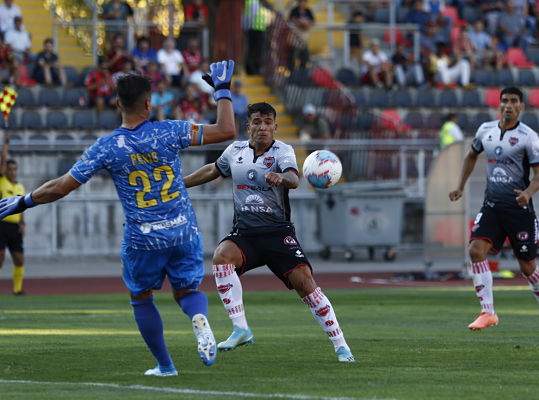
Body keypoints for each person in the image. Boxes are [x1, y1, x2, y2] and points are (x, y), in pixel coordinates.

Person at [0, 60, 238, 375]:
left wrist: (24, 201)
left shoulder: (107, 146)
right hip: (183, 230)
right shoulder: (171, 130)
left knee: (141, 298)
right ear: (148, 103)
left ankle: (165, 366)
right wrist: (222, 90)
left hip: (143, 237)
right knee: (187, 292)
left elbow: (61, 187)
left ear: (117, 104)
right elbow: (227, 130)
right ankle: (199, 319)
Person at [183, 102, 355, 363]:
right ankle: (241, 329)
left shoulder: (282, 151)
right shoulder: (235, 151)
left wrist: (281, 178)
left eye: (267, 122)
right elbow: (212, 170)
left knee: (306, 285)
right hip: (246, 234)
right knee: (221, 256)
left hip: (277, 233)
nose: (262, 127)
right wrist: (179, 184)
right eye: (257, 122)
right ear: (248, 126)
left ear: (275, 127)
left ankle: (341, 347)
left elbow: (294, 179)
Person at [449, 87, 539, 333]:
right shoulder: (485, 130)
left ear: (521, 106)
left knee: (527, 267)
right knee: (476, 250)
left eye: (514, 101)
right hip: (492, 206)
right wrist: (460, 186)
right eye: (505, 100)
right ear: (499, 104)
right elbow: (470, 156)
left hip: (519, 211)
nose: (509, 105)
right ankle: (488, 312)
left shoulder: (529, 137)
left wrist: (527, 193)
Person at [0, 132, 26, 295]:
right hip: (1, 225)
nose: (12, 172)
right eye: (10, 169)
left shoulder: (20, 187)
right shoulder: (1, 181)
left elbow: (22, 207)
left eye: (15, 169)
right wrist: (5, 143)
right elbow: (3, 159)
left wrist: (22, 223)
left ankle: (17, 289)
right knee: (0, 258)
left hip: (15, 227)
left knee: (19, 259)